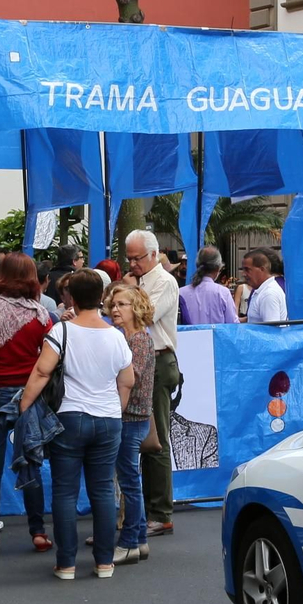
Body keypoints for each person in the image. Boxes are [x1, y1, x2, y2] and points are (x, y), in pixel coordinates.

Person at [20, 270, 135, 579]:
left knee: (65, 491)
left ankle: (67, 563)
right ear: (102, 298)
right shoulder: (116, 336)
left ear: (71, 297)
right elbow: (127, 380)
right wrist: (116, 409)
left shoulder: (62, 332)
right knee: (103, 491)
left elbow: (42, 372)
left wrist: (23, 406)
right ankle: (104, 562)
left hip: (69, 418)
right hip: (108, 419)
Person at [0, 251, 53, 553]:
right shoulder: (41, 315)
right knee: (30, 460)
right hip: (29, 395)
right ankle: (38, 531)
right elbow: (50, 357)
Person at [125, 230, 182, 538]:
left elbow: (145, 316)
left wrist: (129, 291)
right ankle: (146, 510)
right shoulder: (141, 280)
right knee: (139, 437)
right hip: (141, 359)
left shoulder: (164, 281)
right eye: (129, 258)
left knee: (156, 437)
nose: (132, 264)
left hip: (159, 360)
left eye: (137, 258)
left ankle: (160, 513)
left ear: (153, 254)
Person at [104, 281, 156, 564]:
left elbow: (130, 378)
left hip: (130, 418)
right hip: (133, 417)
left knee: (129, 483)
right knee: (130, 482)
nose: (115, 309)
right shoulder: (132, 338)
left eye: (121, 304)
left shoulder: (137, 340)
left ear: (136, 308)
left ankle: (129, 543)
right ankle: (140, 540)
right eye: (113, 305)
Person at [178, 247, 240, 325]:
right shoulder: (223, 293)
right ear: (218, 268)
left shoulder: (181, 292)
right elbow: (233, 324)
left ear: (197, 266)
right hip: (217, 333)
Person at [243, 249, 289, 324]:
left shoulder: (269, 294)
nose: (244, 274)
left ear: (262, 269)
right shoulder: (262, 291)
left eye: (247, 270)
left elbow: (271, 329)